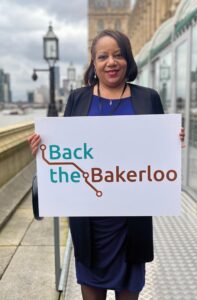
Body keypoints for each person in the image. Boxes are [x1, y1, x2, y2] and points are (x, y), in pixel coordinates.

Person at [28, 29, 185, 300]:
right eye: (103, 56)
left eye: (118, 55)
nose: (110, 62)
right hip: (90, 222)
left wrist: (174, 141)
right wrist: (43, 148)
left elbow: (159, 152)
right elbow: (68, 152)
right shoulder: (78, 98)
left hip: (131, 220)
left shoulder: (148, 98)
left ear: (128, 60)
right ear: (94, 63)